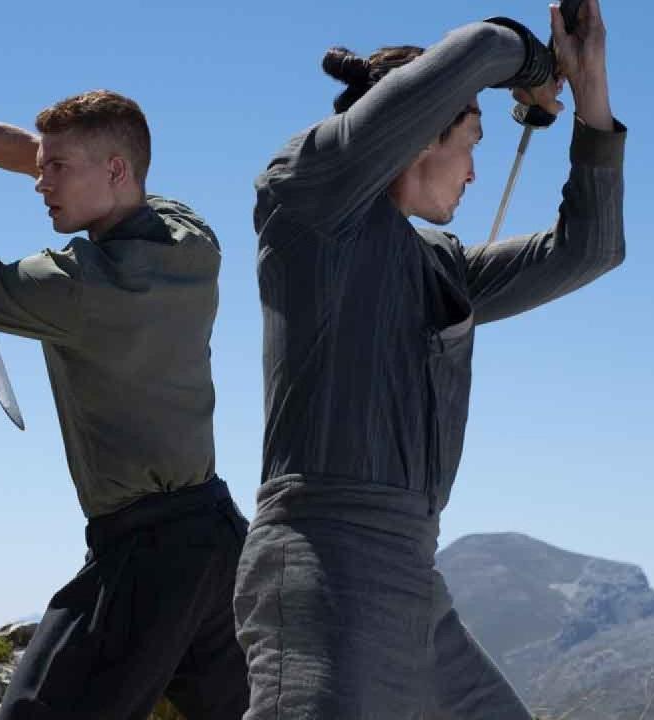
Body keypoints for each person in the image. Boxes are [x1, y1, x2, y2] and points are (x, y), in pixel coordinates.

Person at [232, 1, 625, 717]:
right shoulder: (309, 200)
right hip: (328, 570)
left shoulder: (439, 265)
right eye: (470, 141)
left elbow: (588, 249)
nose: (475, 172)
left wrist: (589, 88)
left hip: (415, 579)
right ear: (419, 137)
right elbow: (482, 45)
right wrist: (538, 69)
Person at [0, 72, 249, 720]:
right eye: (43, 168)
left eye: (57, 170)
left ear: (114, 168)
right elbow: (42, 159)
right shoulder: (191, 239)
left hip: (144, 556)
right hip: (218, 542)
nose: (40, 181)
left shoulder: (76, 288)